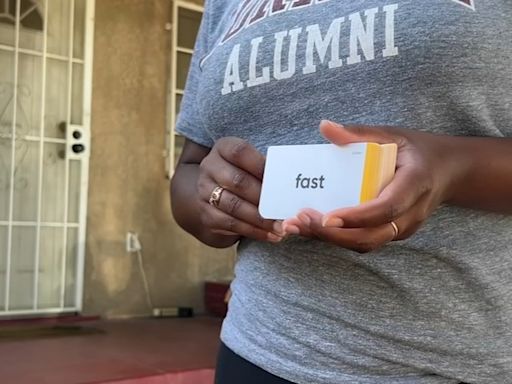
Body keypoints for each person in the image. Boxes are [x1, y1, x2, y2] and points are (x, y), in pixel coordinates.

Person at [170, 1, 512, 383]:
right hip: (256, 348)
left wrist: (456, 166)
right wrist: (217, 200)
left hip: (455, 361)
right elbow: (189, 168)